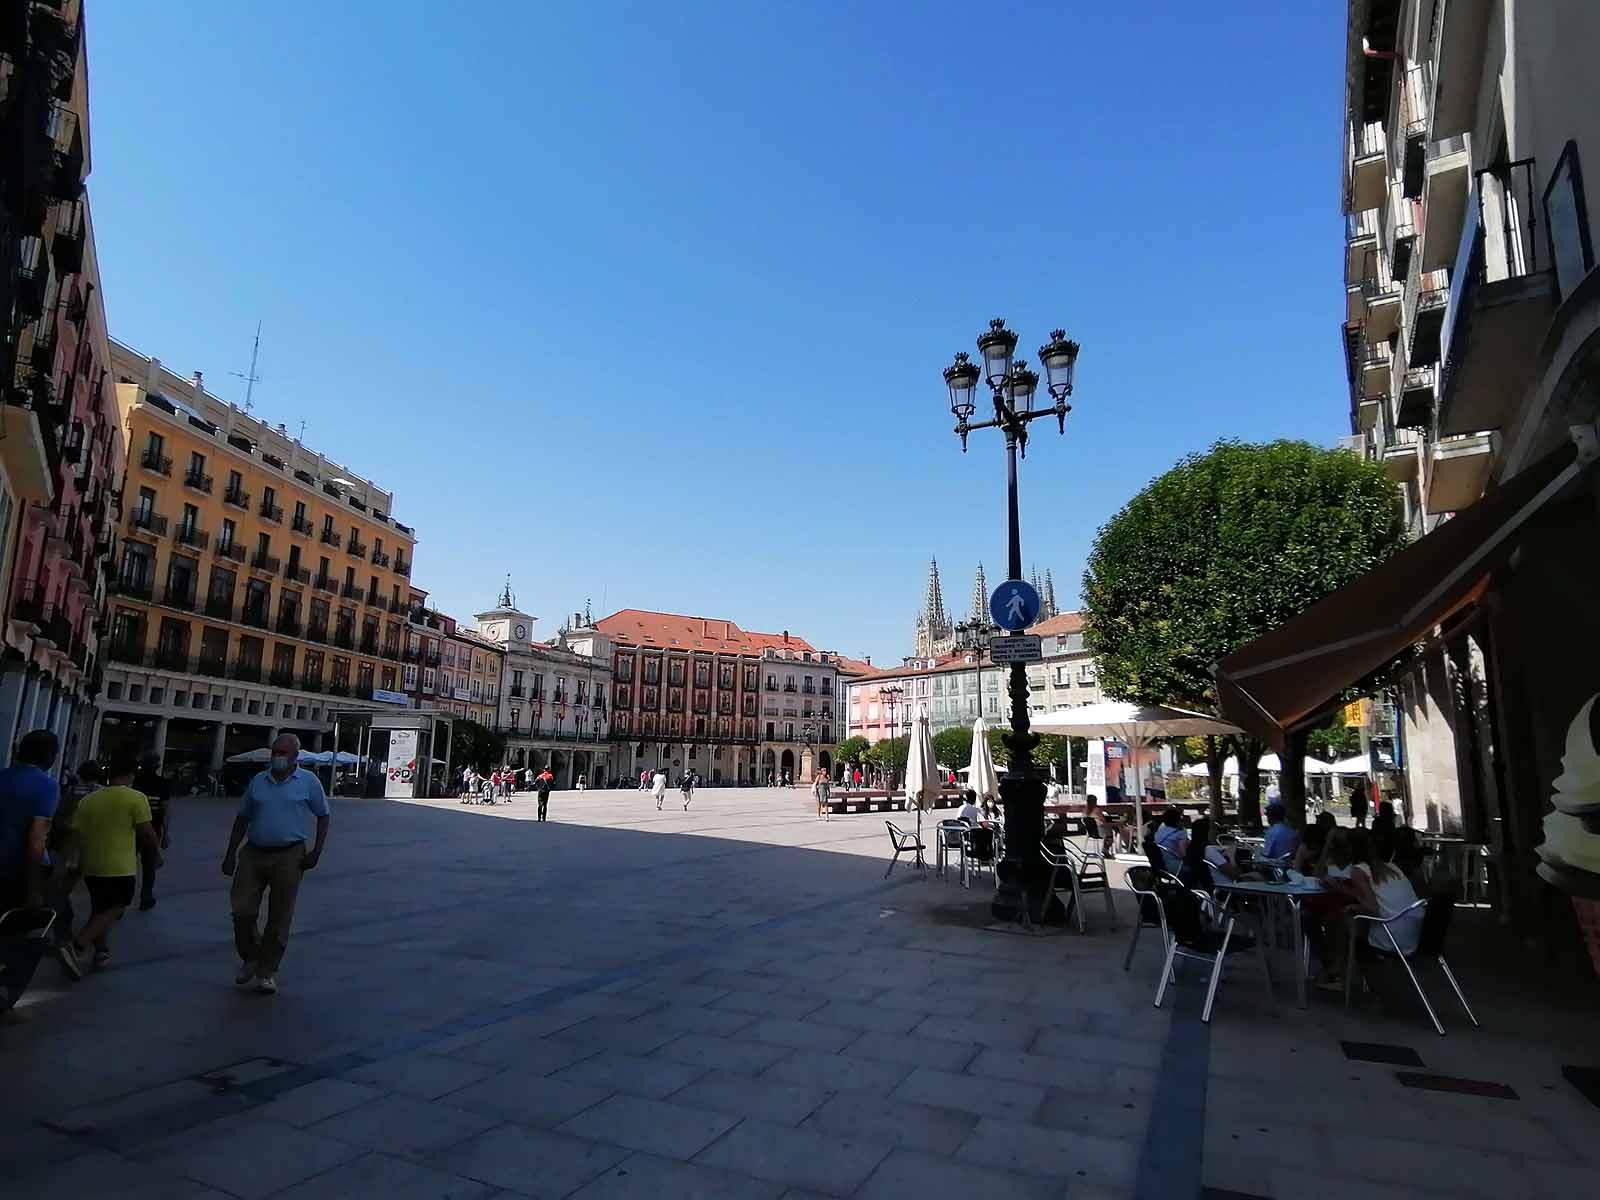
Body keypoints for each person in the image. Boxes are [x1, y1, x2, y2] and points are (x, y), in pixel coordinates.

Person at [221, 733, 330, 996]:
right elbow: (242, 817)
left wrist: (316, 851)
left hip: (290, 854)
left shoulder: (308, 782)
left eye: (283, 753)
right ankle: (251, 955)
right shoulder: (259, 780)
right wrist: (230, 852)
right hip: (254, 851)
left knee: (279, 916)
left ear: (295, 757)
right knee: (241, 910)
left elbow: (323, 815)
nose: (277, 757)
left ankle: (267, 970)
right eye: (275, 752)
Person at [58, 750, 157, 978]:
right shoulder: (136, 798)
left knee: (100, 909)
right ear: (132, 774)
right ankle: (79, 945)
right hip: (119, 865)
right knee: (117, 906)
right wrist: (156, 854)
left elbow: (74, 833)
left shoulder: (89, 799)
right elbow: (147, 834)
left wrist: (68, 862)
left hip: (91, 865)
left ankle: (101, 951)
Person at [0, 731, 60, 913]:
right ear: (49, 757)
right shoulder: (47, 786)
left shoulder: (2, 776)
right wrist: (34, 890)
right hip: (15, 868)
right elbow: (36, 838)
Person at [132, 755, 172, 911]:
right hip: (153, 828)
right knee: (149, 866)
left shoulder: (136, 782)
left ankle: (123, 899)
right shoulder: (163, 784)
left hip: (133, 828)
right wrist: (166, 832)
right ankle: (146, 898)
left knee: (128, 864)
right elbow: (165, 809)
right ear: (157, 766)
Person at [1152, 808, 1189, 874]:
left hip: (1161, 866)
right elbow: (1184, 854)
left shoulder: (1159, 832)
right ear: (1178, 820)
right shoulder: (1180, 833)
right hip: (1176, 866)